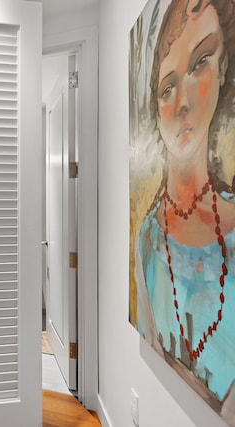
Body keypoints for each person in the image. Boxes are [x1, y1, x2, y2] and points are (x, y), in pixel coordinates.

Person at [136, 0, 235, 409]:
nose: (183, 104)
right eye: (167, 87)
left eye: (201, 62)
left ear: (225, 67)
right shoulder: (147, 238)